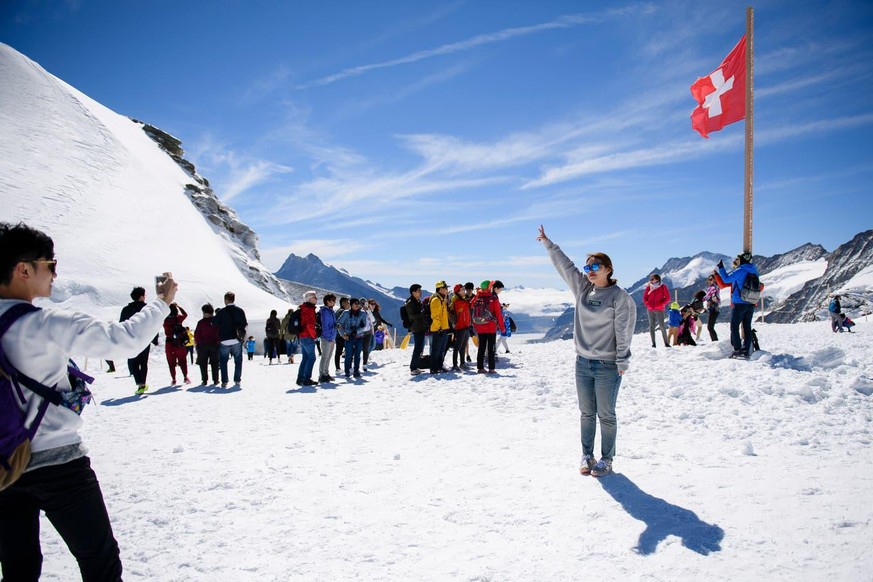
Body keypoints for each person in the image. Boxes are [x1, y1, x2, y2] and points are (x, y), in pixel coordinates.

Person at [0, 221, 177, 581]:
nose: (54, 274)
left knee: (19, 568)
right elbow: (124, 340)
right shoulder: (42, 323)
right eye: (50, 264)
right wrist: (161, 302)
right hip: (59, 465)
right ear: (23, 269)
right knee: (100, 562)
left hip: (4, 466)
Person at [538, 225, 636, 478]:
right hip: (582, 363)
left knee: (606, 414)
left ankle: (607, 459)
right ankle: (587, 455)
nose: (589, 271)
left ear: (608, 269)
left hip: (607, 365)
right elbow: (565, 267)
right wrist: (549, 244)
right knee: (586, 413)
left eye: (595, 267)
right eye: (588, 267)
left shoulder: (619, 297)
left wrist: (623, 360)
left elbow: (624, 331)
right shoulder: (583, 289)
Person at [717, 251, 760, 359]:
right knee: (747, 327)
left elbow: (726, 279)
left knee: (734, 326)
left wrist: (721, 268)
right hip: (750, 302)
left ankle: (737, 349)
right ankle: (745, 349)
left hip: (739, 303)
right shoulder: (754, 270)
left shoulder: (740, 271)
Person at [120, 286, 159, 394]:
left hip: (132, 339)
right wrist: (155, 339)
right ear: (141, 297)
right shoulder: (147, 309)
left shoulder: (126, 310)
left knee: (134, 361)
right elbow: (153, 325)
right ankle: (143, 383)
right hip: (145, 339)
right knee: (143, 362)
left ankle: (139, 383)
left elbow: (122, 325)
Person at [212, 291, 247, 387]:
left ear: (226, 300)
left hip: (224, 339)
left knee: (223, 361)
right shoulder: (240, 311)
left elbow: (214, 323)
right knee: (238, 360)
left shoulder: (221, 312)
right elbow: (244, 324)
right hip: (236, 339)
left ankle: (224, 381)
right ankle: (237, 380)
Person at [472, 280, 506, 374]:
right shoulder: (493, 298)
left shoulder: (478, 297)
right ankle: (491, 368)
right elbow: (498, 314)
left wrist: (475, 325)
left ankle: (480, 368)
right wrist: (502, 327)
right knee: (491, 348)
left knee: (481, 348)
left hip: (480, 326)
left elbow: (472, 309)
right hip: (491, 327)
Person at [337, 298, 367, 379]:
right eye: (355, 303)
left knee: (357, 355)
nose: (357, 305)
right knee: (348, 355)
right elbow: (339, 324)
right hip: (348, 337)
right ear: (351, 304)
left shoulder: (362, 313)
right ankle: (347, 372)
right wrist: (343, 334)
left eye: (358, 303)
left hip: (359, 337)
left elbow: (364, 325)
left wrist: (356, 331)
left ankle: (356, 371)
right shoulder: (346, 313)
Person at [162, 303, 190, 385]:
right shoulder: (178, 318)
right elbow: (185, 314)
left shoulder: (165, 320)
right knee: (182, 360)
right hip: (179, 342)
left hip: (169, 343)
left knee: (171, 362)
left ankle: (173, 379)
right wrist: (179, 306)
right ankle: (185, 377)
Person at [194, 303, 220, 385]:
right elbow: (219, 333)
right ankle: (215, 380)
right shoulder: (216, 321)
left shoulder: (201, 323)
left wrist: (197, 343)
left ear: (205, 312)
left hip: (202, 346)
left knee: (203, 363)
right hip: (215, 345)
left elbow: (197, 334)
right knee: (215, 363)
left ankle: (204, 380)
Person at [296, 291, 319, 386]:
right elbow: (310, 325)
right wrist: (315, 336)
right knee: (311, 358)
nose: (316, 299)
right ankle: (306, 378)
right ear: (309, 299)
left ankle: (301, 378)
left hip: (302, 336)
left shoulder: (303, 308)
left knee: (305, 357)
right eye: (314, 297)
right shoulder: (309, 310)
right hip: (308, 336)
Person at [429, 281, 451, 374]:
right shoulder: (436, 300)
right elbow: (435, 316)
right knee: (436, 349)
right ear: (440, 289)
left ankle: (439, 365)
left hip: (443, 328)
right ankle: (434, 368)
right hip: (438, 329)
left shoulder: (441, 299)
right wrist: (439, 328)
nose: (447, 290)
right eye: (446, 288)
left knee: (441, 349)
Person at [643, 273, 671, 348]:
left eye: (652, 279)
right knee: (651, 326)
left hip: (659, 309)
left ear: (657, 279)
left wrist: (661, 304)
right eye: (650, 279)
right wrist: (648, 304)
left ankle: (666, 343)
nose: (651, 281)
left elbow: (668, 298)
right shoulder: (649, 287)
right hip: (650, 309)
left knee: (662, 326)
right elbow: (645, 298)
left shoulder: (663, 287)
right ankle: (653, 344)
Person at [450, 283, 473, 371]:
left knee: (463, 346)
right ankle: (455, 364)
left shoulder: (463, 300)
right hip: (460, 326)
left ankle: (462, 363)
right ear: (457, 292)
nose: (464, 291)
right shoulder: (457, 302)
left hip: (466, 326)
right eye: (462, 290)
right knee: (457, 346)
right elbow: (466, 305)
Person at [406, 285, 427, 375]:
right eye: (418, 291)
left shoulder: (416, 301)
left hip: (420, 326)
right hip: (416, 327)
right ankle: (413, 367)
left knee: (420, 348)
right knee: (418, 348)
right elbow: (412, 316)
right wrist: (422, 313)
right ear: (413, 292)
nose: (420, 292)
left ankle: (416, 365)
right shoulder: (410, 303)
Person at [318, 294, 337, 383]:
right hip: (326, 337)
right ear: (328, 301)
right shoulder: (325, 311)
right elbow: (325, 325)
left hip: (331, 337)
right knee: (325, 356)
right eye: (333, 300)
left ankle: (326, 373)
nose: (334, 302)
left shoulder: (331, 311)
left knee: (328, 357)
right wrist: (328, 336)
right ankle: (322, 375)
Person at [702, 274, 721, 341]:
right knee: (710, 327)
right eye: (709, 279)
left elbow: (712, 295)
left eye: (711, 279)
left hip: (714, 308)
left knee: (710, 327)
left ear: (715, 280)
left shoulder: (714, 287)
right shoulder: (711, 287)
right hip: (713, 308)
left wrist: (711, 299)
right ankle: (714, 340)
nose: (709, 281)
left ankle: (715, 341)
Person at [334, 297, 349, 374]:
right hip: (343, 334)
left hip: (337, 334)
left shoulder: (337, 311)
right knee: (349, 350)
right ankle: (348, 368)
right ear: (343, 303)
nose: (348, 304)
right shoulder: (344, 311)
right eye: (347, 302)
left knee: (338, 352)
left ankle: (338, 368)